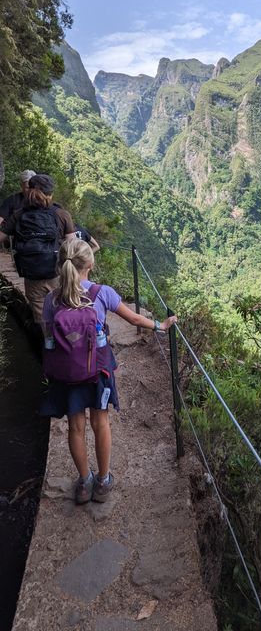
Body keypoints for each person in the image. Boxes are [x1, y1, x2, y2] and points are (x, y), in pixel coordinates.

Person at [40, 238, 177, 504]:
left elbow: (48, 339)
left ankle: (84, 482)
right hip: (97, 373)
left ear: (61, 265)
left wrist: (51, 368)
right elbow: (134, 319)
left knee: (75, 428)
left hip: (66, 375)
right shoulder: (102, 293)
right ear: (90, 264)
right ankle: (103, 482)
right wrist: (161, 325)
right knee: (100, 422)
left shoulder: (50, 300)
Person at [0, 173, 75, 323]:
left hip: (31, 275)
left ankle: (48, 343)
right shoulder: (61, 214)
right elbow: (73, 246)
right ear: (51, 194)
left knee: (42, 319)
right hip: (57, 274)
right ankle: (66, 342)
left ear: (28, 191)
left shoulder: (18, 215)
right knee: (63, 312)